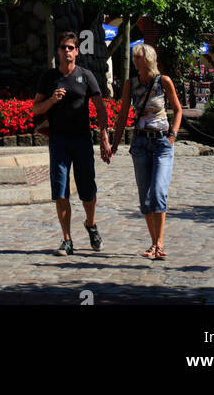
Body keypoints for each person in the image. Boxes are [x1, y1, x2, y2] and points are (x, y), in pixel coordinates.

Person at [32, 30, 112, 256]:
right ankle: (67, 240)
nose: (66, 51)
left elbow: (99, 107)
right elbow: (36, 108)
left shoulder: (86, 76)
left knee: (87, 190)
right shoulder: (48, 78)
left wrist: (104, 136)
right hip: (58, 140)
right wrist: (51, 100)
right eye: (63, 48)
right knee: (60, 190)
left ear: (77, 51)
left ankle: (91, 224)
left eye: (70, 48)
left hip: (82, 140)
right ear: (57, 51)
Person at [111, 43, 183, 259]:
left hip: (161, 143)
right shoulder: (130, 84)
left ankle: (159, 244)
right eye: (134, 57)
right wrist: (115, 144)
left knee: (158, 193)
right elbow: (123, 115)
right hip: (141, 143)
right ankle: (153, 244)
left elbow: (178, 109)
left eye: (138, 57)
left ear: (149, 59)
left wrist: (173, 136)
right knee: (145, 199)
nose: (135, 61)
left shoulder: (163, 82)